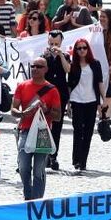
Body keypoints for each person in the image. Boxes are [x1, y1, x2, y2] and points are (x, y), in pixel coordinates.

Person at [12, 58, 61, 199]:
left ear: (45, 69)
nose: (35, 69)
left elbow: (57, 116)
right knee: (23, 167)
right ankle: (28, 196)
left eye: (39, 66)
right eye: (33, 66)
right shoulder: (22, 86)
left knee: (39, 170)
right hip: (25, 130)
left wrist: (46, 110)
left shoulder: (52, 90)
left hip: (42, 133)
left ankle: (38, 200)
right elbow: (13, 109)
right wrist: (22, 113)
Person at [67, 38, 104, 172]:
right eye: (79, 48)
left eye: (84, 48)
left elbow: (99, 83)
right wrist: (68, 104)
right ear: (75, 51)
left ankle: (83, 161)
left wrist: (103, 100)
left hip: (92, 101)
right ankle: (76, 160)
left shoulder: (95, 64)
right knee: (78, 131)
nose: (82, 50)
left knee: (88, 132)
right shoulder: (73, 65)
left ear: (88, 49)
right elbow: (70, 85)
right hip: (77, 100)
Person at [41, 31, 72, 172]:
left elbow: (68, 70)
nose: (54, 46)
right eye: (51, 43)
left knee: (57, 126)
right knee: (44, 126)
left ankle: (54, 155)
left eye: (56, 44)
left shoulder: (65, 56)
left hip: (60, 95)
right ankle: (44, 154)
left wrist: (60, 55)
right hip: (46, 95)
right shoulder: (43, 57)